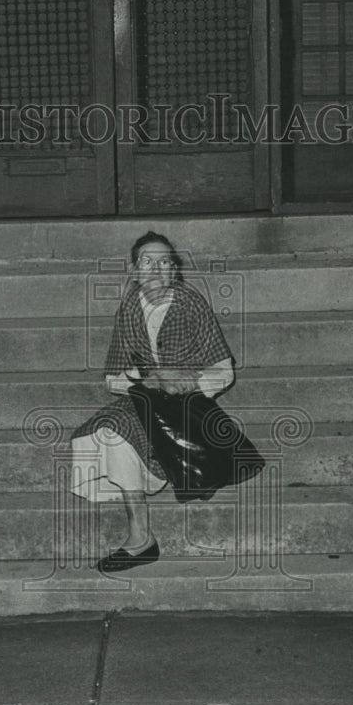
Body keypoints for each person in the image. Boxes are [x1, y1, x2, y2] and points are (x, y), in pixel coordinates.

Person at [70, 231, 235, 572]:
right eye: (148, 262)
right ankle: (140, 536)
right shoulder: (130, 307)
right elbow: (113, 378)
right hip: (146, 399)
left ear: (174, 271)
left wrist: (186, 386)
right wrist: (156, 380)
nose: (157, 269)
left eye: (165, 262)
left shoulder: (191, 305)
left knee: (140, 430)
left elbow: (224, 373)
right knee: (109, 431)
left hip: (189, 406)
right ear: (134, 271)